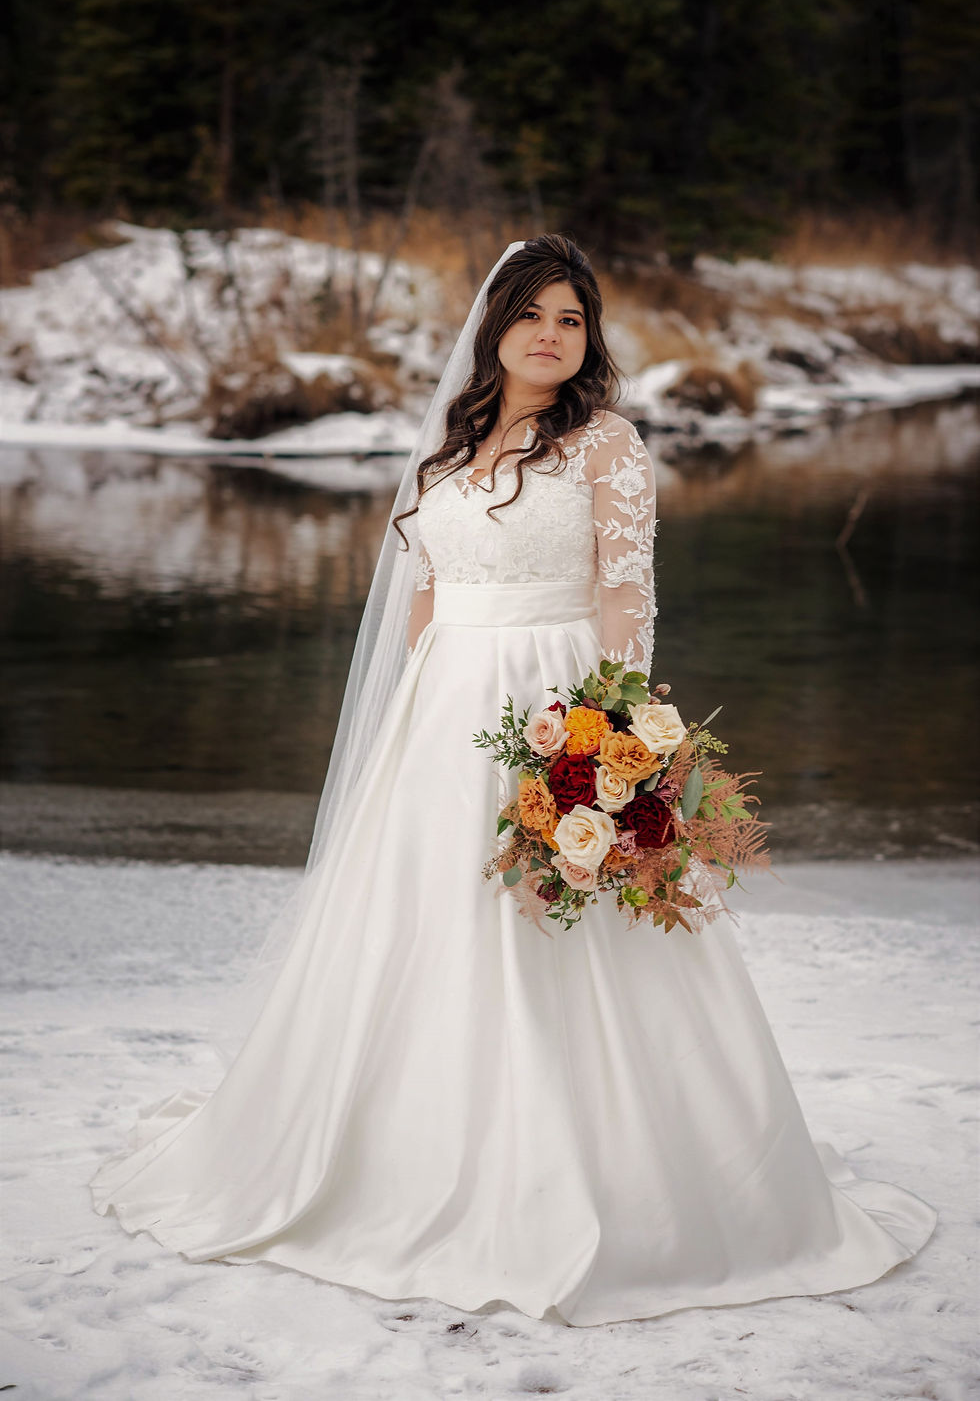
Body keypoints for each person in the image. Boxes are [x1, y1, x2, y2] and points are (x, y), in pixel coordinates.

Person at [89, 234, 936, 1327]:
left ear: (587, 340)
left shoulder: (605, 445)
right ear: (492, 325)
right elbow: (424, 597)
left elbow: (625, 597)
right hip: (441, 713)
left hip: (553, 695)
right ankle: (395, 1153)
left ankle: (595, 1173)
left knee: (556, 922)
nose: (549, 333)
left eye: (570, 318)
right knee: (419, 925)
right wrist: (401, 715)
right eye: (530, 313)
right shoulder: (448, 446)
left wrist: (610, 743)